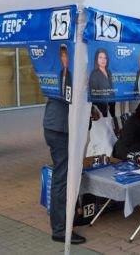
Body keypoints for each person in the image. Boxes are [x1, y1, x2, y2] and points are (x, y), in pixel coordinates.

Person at [42, 95, 88, 245]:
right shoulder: (68, 73)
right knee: (62, 179)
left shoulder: (57, 72)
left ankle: (66, 220)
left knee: (63, 177)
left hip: (55, 124)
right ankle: (60, 230)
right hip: (62, 127)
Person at [89, 48, 115, 117]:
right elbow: (94, 94)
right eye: (100, 57)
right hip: (101, 109)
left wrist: (112, 101)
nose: (103, 60)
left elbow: (111, 88)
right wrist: (104, 106)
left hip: (111, 105)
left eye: (105, 58)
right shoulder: (94, 74)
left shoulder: (108, 72)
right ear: (96, 59)